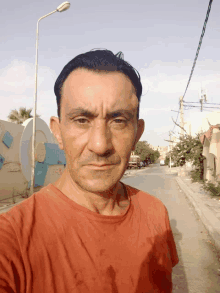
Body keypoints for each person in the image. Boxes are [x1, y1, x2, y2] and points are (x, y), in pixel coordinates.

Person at [0, 49, 178, 293]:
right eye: (82, 120)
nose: (100, 145)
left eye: (118, 120)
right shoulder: (12, 239)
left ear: (137, 133)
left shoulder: (156, 214)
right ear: (58, 132)